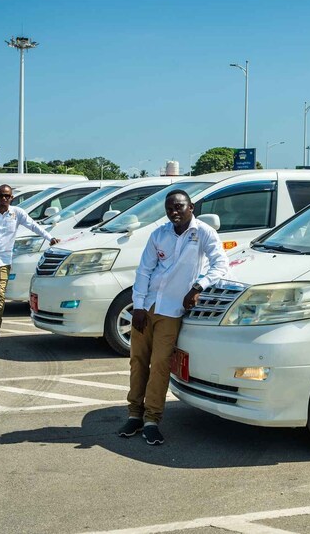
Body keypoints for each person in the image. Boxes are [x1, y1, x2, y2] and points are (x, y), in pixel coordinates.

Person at [118, 189, 229, 446]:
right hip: (147, 307)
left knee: (159, 365)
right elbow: (144, 271)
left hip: (171, 311)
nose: (174, 212)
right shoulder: (159, 234)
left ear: (192, 208)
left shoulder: (203, 233)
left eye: (179, 207)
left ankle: (151, 420)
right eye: (169, 208)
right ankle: (134, 414)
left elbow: (220, 264)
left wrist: (198, 287)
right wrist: (138, 307)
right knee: (137, 361)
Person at [0, 184, 60, 344]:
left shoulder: (17, 213)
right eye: (1, 195)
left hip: (4, 261)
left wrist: (49, 238)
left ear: (11, 198)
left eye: (7, 196)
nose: (4, 198)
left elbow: (34, 225)